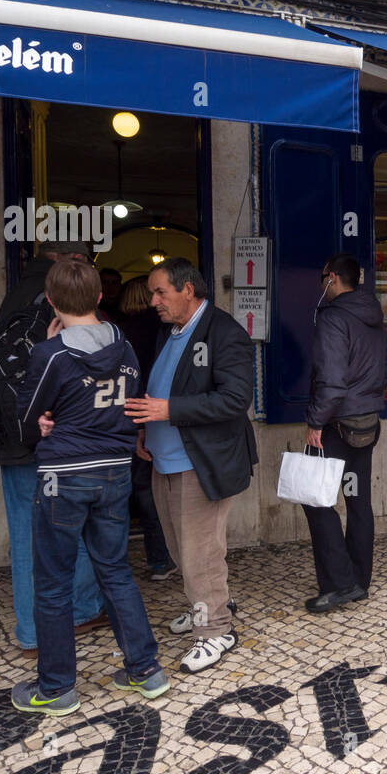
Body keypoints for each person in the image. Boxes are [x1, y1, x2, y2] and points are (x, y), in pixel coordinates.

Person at [11, 259, 169, 715]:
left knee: (54, 583)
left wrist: (42, 420)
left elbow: (25, 421)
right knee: (115, 570)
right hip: (114, 472)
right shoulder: (123, 345)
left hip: (65, 475)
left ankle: (57, 687)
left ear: (53, 302)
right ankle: (145, 669)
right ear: (101, 298)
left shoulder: (52, 354)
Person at [124, 257, 257, 672]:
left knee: (201, 554)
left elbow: (236, 400)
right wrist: (148, 428)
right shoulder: (172, 332)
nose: (153, 301)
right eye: (152, 293)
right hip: (164, 460)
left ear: (188, 290)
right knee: (182, 549)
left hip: (201, 464)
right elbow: (162, 388)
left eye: (160, 291)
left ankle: (215, 629)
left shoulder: (226, 334)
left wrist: (168, 410)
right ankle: (206, 606)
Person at [0, 240, 107, 658]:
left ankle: (61, 617)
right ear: (70, 262)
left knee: (36, 533)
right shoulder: (44, 301)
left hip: (20, 440)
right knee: (52, 531)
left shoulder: (20, 293)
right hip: (40, 441)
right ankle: (52, 625)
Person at [301, 253, 387, 612]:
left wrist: (315, 421)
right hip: (367, 423)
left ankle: (340, 584)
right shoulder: (374, 315)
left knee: (316, 499)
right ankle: (359, 579)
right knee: (357, 500)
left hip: (335, 426)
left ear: (332, 278)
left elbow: (331, 380)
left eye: (322, 277)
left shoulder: (334, 319)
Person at [116, 276, 176, 582]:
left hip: (127, 413)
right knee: (154, 490)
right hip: (156, 411)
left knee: (130, 490)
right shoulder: (165, 330)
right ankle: (162, 558)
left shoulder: (119, 333)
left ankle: (125, 564)